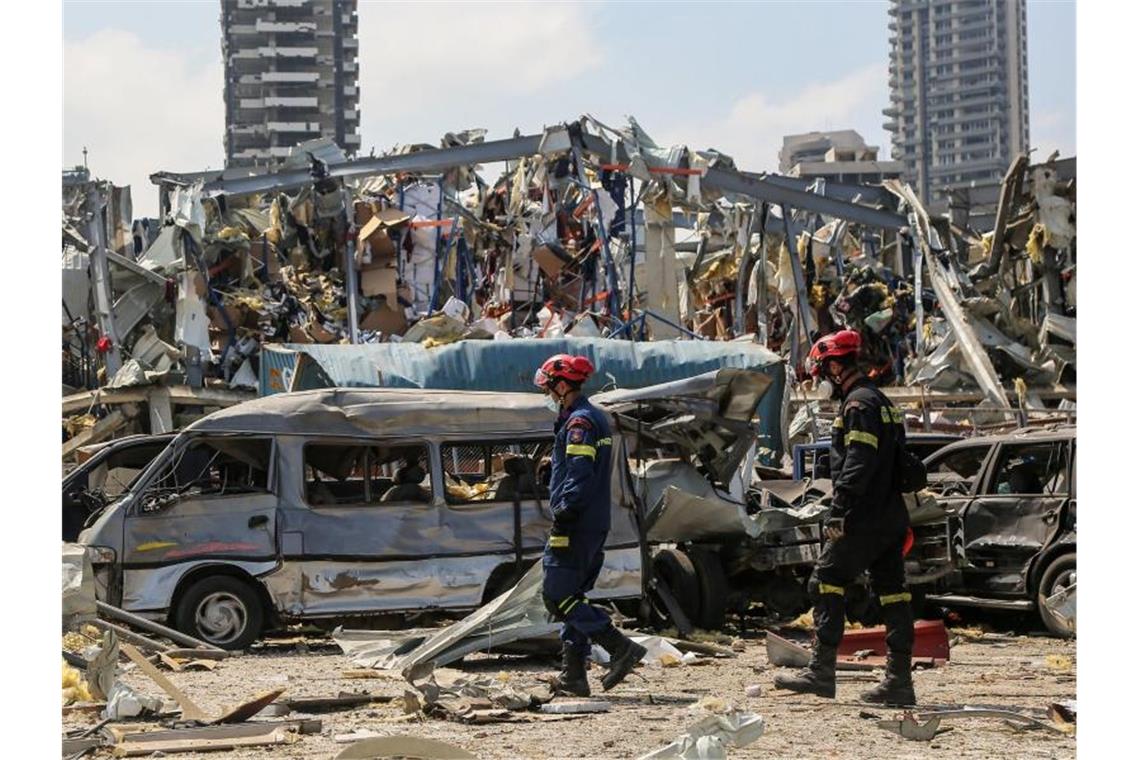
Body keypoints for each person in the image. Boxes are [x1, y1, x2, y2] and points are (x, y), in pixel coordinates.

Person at [773, 330, 917, 706]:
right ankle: (899, 682)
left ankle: (821, 672)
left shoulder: (857, 405)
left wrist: (840, 509)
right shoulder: (883, 402)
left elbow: (858, 461)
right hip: (891, 516)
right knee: (893, 593)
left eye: (822, 372)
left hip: (863, 516)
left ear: (836, 367)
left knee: (825, 581)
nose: (822, 380)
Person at [534, 353, 647, 696]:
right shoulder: (592, 417)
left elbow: (580, 473)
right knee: (574, 596)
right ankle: (574, 676)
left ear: (564, 385)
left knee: (556, 596)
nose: (549, 394)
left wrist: (565, 514)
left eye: (552, 387)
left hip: (576, 524)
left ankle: (620, 647)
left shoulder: (580, 423)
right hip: (593, 523)